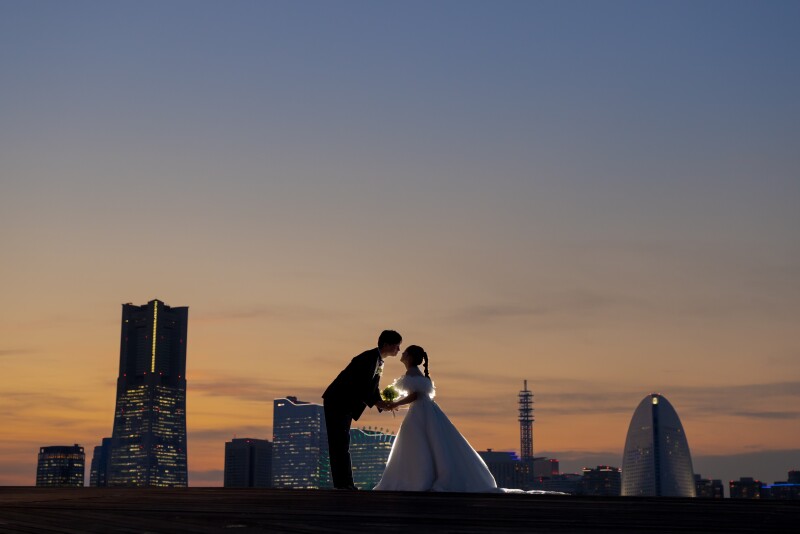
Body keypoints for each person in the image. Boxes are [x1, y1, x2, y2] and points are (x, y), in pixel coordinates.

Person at [373, 345, 499, 492]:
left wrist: (395, 403)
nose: (402, 353)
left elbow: (415, 395)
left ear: (410, 357)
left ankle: (418, 479)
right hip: (425, 410)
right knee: (430, 441)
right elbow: (418, 397)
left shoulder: (411, 373)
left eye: (405, 352)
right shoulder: (416, 373)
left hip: (420, 413)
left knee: (416, 440)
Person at [322, 330, 402, 490]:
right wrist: (379, 404)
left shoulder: (378, 360)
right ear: (386, 344)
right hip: (338, 402)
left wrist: (381, 403)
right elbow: (362, 386)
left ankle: (345, 484)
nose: (398, 350)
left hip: (344, 404)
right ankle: (343, 484)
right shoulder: (368, 358)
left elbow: (373, 386)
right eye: (396, 346)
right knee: (339, 443)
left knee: (342, 443)